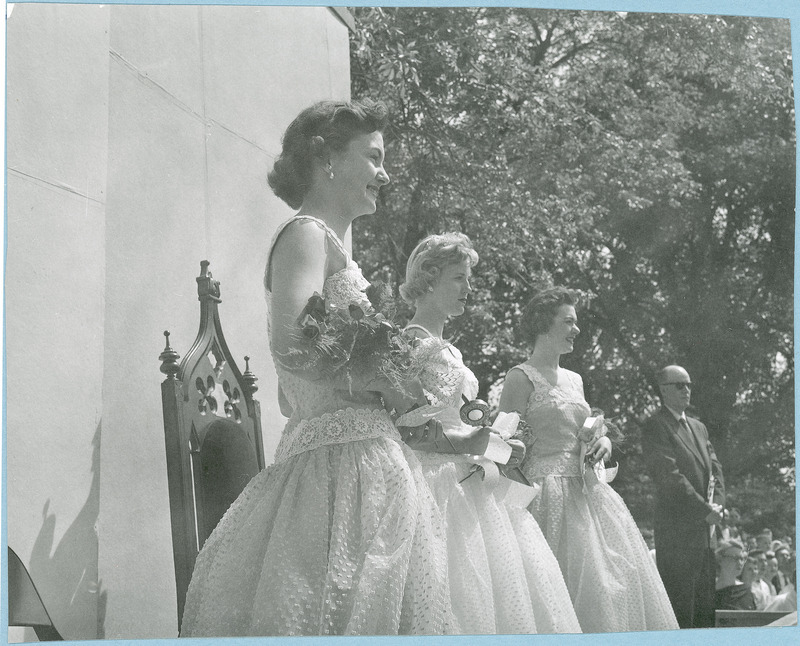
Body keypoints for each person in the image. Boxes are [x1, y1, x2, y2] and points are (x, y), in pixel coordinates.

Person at [180, 99, 454, 636]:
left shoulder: (334, 250)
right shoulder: (305, 233)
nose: (385, 172)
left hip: (361, 459)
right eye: (373, 157)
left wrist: (401, 385)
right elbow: (290, 345)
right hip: (340, 468)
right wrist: (381, 378)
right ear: (327, 157)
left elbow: (290, 394)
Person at [397, 234, 581, 634]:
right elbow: (405, 428)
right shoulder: (410, 342)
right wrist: (474, 442)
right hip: (433, 482)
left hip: (466, 476)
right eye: (459, 278)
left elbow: (463, 419)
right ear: (428, 279)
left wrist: (499, 444)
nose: (469, 288)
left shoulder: (449, 349)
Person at [498, 286, 678, 632]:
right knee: (556, 586)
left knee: (611, 580)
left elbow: (586, 430)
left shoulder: (575, 380)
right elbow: (506, 445)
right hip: (543, 494)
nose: (577, 330)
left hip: (587, 491)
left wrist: (604, 441)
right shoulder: (520, 377)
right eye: (569, 321)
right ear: (542, 323)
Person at [642, 364, 726, 629]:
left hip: (705, 537)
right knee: (681, 615)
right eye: (679, 385)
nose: (686, 390)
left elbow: (716, 471)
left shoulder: (699, 428)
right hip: (677, 537)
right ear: (663, 390)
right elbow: (670, 477)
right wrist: (705, 510)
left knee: (704, 614)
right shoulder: (656, 426)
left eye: (688, 384)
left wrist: (718, 506)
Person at [714, 540, 756, 610]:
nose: (740, 563)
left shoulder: (745, 591)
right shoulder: (711, 592)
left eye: (742, 559)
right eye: (735, 558)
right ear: (720, 560)